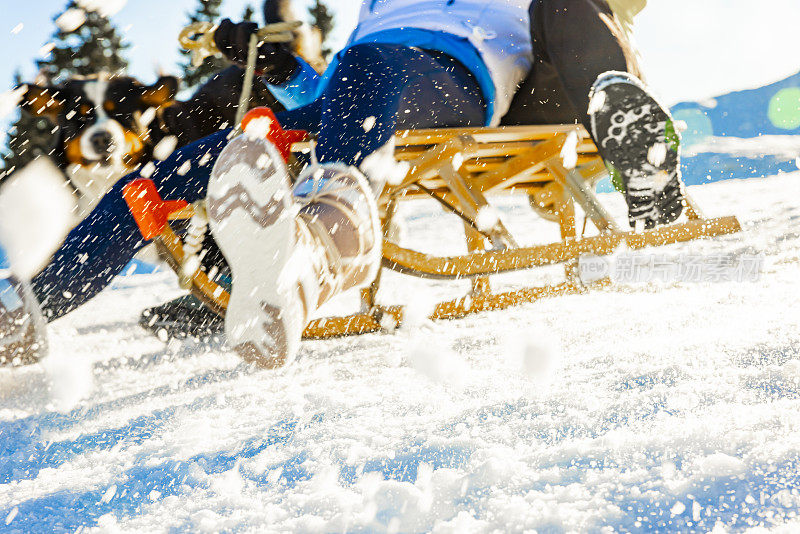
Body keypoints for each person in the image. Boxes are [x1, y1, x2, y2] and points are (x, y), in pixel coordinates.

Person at [1, 0, 684, 367]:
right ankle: (28, 309)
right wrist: (277, 64)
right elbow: (330, 89)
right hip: (359, 91)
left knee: (366, 67)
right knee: (180, 165)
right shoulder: (375, 8)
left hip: (453, 80)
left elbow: (600, 20)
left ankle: (327, 245)